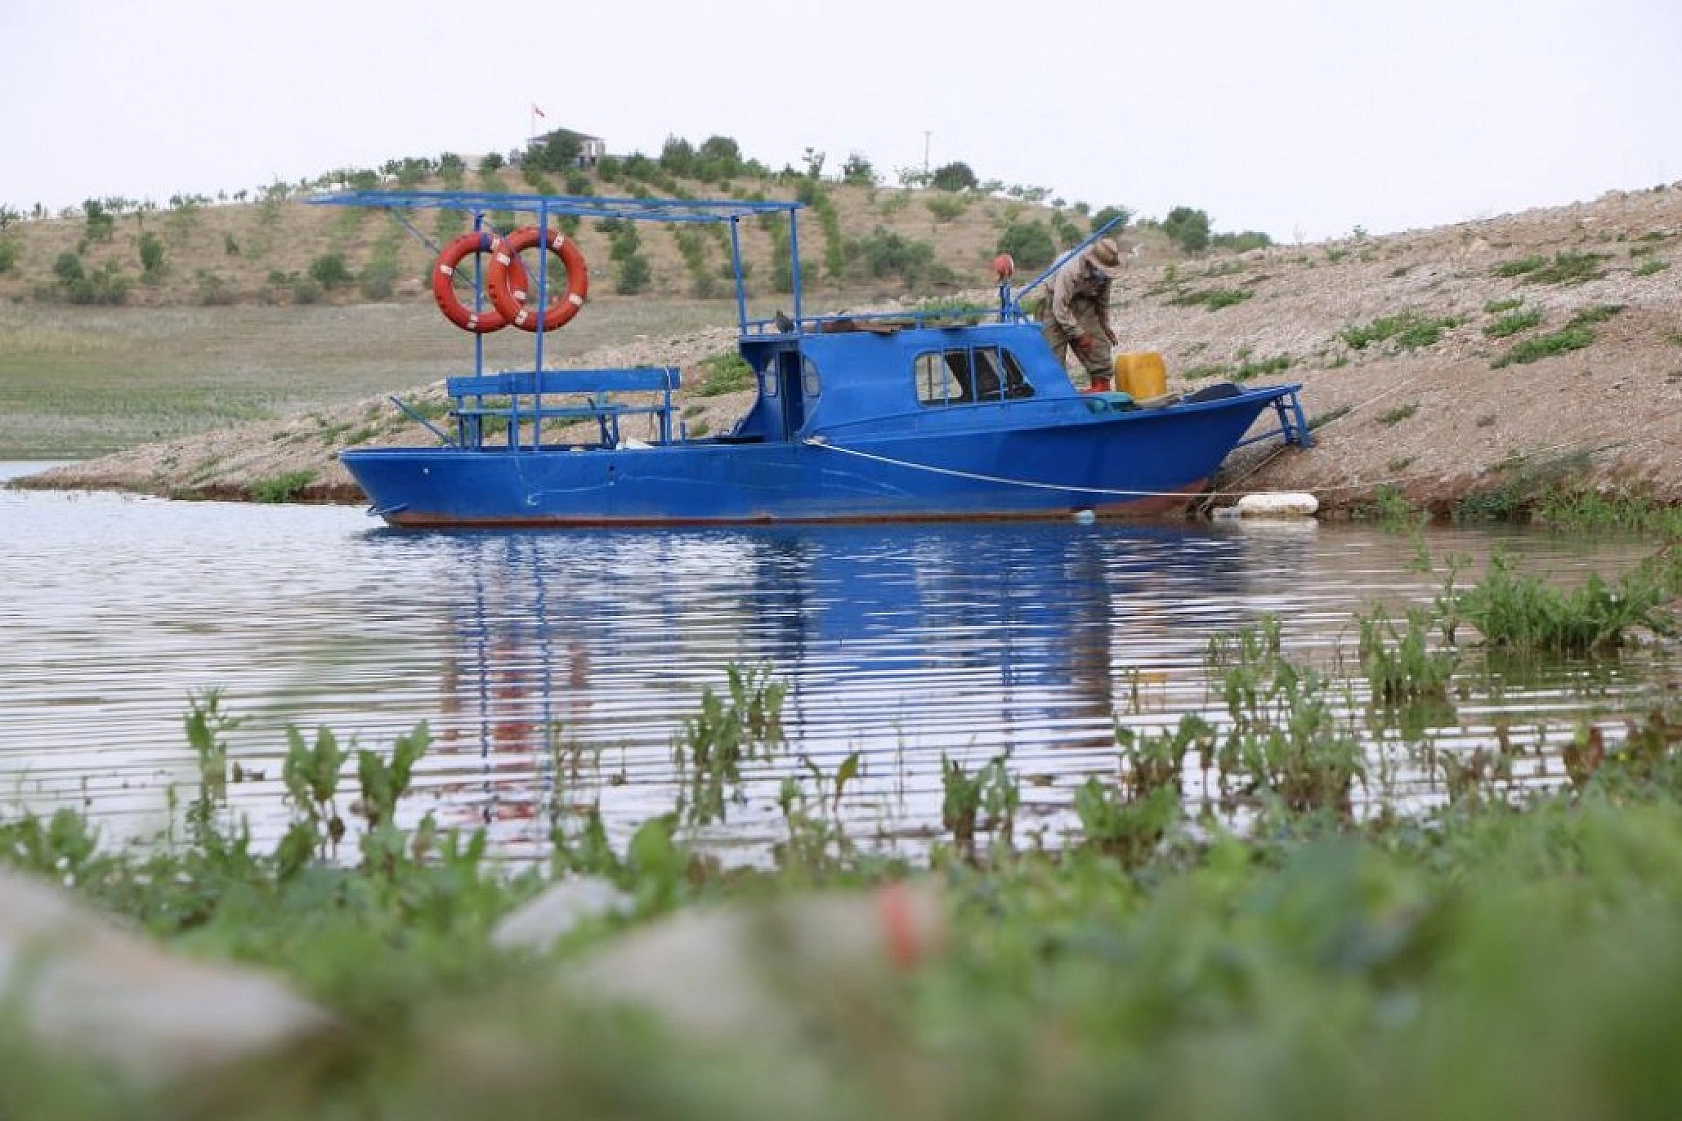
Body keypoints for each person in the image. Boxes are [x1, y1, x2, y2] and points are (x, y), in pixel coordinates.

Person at [1039, 236, 1126, 391]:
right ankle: (1058, 398)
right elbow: (1059, 307)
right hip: (1055, 302)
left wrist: (1106, 327)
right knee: (1053, 356)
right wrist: (1078, 334)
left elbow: (1102, 302)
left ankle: (1101, 390)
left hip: (1083, 301)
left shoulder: (1105, 274)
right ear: (1091, 263)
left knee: (1099, 346)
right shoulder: (1070, 270)